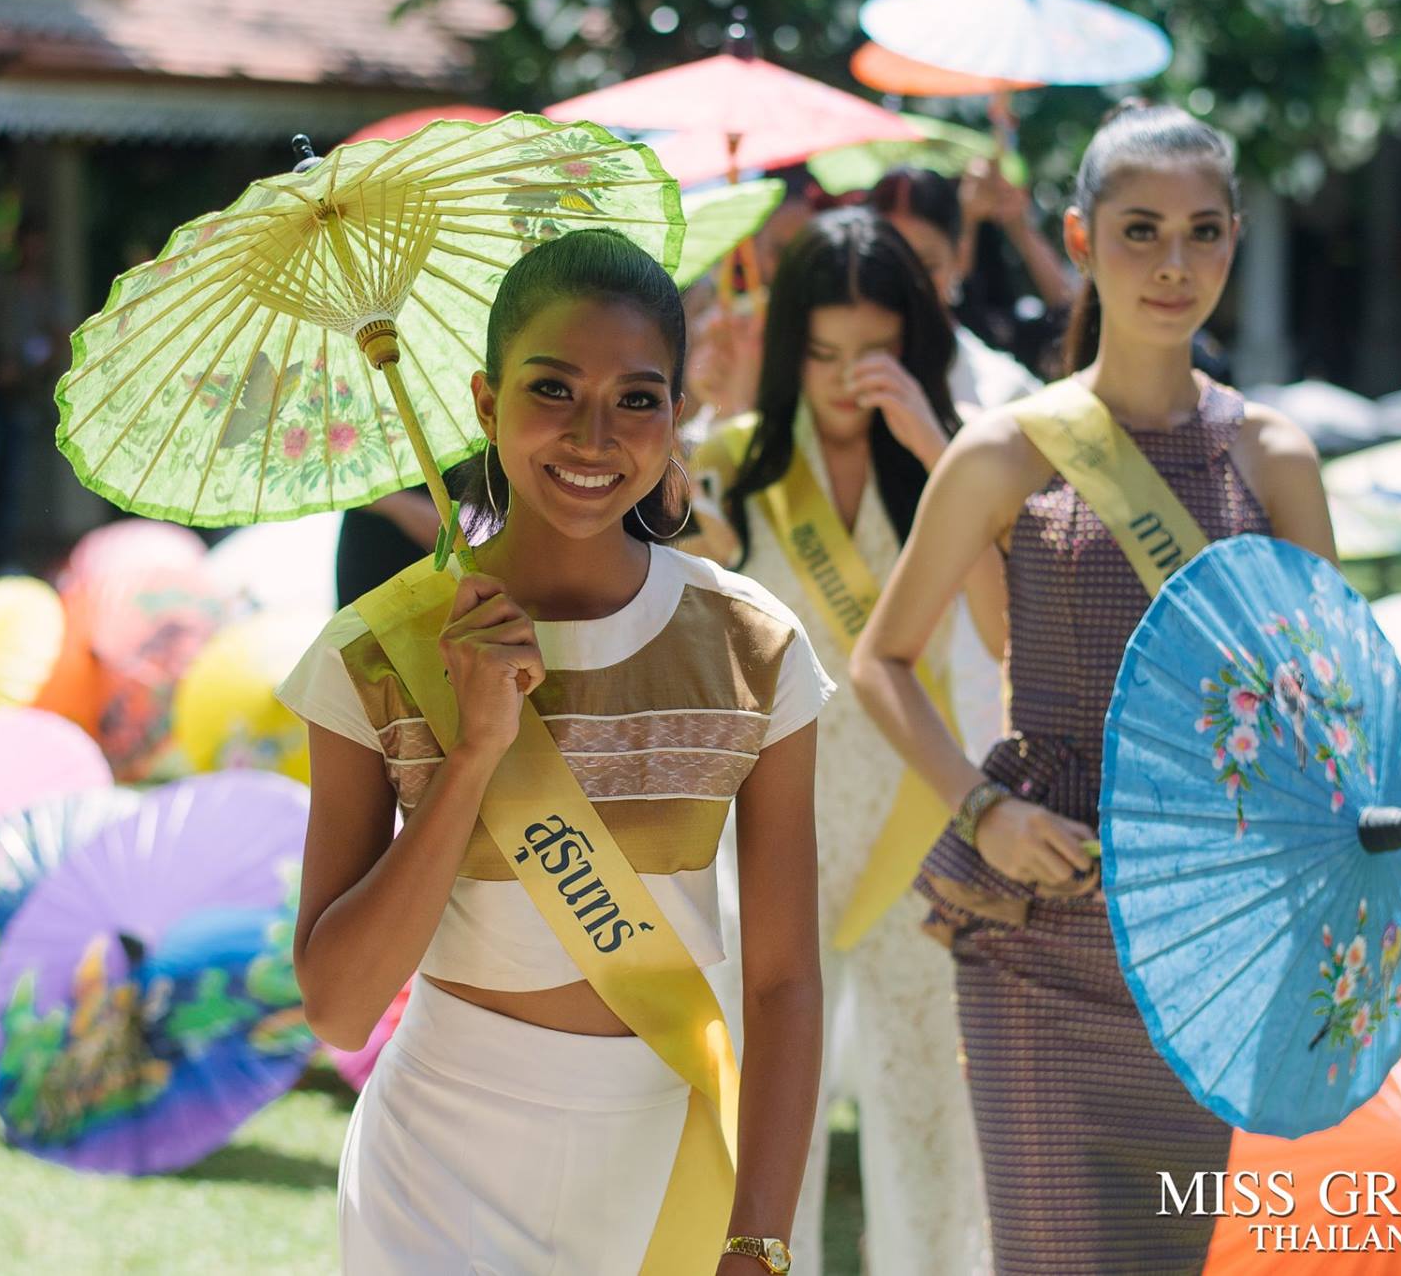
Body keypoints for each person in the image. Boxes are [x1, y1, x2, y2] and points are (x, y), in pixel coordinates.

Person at [276, 229, 831, 1275]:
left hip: (665, 1159)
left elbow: (784, 984)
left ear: (677, 417)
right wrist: (476, 751)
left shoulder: (753, 649)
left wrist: (757, 1236)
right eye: (551, 388)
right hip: (435, 1177)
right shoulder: (377, 655)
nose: (592, 435)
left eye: (636, 398)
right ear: (484, 404)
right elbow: (339, 1006)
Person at [849, 101, 1338, 1274]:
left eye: (1202, 232)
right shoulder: (1006, 452)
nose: (1173, 264)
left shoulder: (1273, 458)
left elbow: (1327, 704)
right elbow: (882, 660)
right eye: (1137, 231)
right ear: (1075, 238)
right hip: (1038, 930)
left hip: (1206, 940)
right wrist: (983, 810)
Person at [683, 207, 996, 1275]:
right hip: (778, 825)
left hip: (916, 817)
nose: (841, 376)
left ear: (912, 341)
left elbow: (1009, 623)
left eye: (870, 351)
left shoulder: (957, 464)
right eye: (818, 352)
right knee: (774, 1107)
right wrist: (695, 412)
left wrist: (935, 447)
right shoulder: (736, 461)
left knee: (924, 1106)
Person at [873, 166, 1044, 411]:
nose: (905, 283)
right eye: (888, 263)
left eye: (928, 266)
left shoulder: (1006, 395)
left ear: (959, 257)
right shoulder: (832, 378)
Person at [0, 215, 72, 571]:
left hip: (21, 396)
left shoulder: (50, 295)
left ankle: (3, 560)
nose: (32, 250)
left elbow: (59, 346)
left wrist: (23, 369)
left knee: (10, 484)